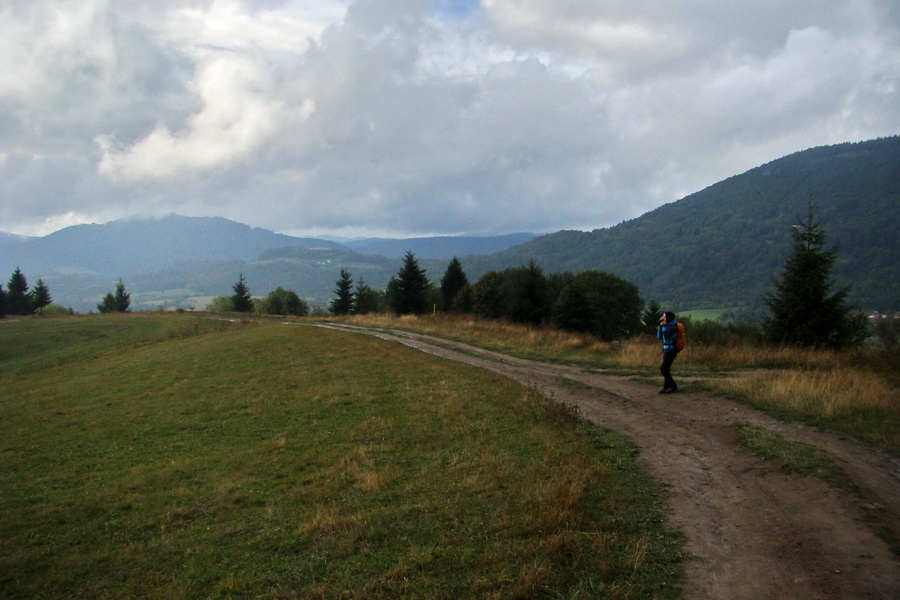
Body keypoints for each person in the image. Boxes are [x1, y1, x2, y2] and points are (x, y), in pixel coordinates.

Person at [657, 311, 680, 394]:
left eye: (665, 317)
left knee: (663, 369)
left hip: (672, 349)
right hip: (666, 349)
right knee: (666, 369)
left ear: (669, 318)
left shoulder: (674, 327)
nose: (663, 319)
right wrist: (660, 327)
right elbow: (659, 337)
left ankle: (673, 386)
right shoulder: (666, 326)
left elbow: (667, 336)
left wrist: (664, 326)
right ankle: (666, 387)